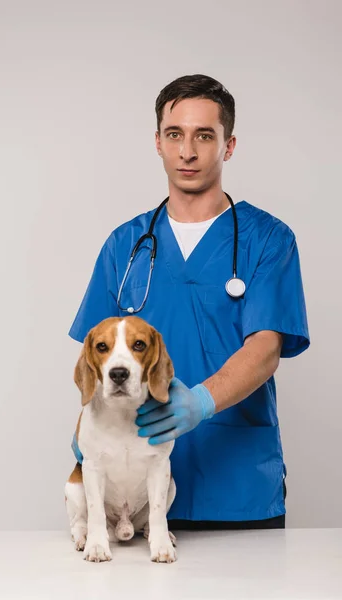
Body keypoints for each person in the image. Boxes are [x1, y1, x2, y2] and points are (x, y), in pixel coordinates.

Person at [68, 74, 310, 530]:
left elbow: (265, 349)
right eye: (175, 134)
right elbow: (96, 353)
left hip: (237, 488)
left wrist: (199, 402)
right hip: (134, 498)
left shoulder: (268, 240)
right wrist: (87, 427)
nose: (188, 151)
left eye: (205, 135)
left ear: (229, 145)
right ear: (157, 142)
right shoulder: (125, 245)